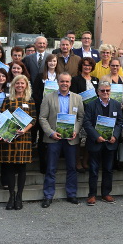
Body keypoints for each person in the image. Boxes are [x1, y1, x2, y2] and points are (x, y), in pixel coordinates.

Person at [39, 72, 84, 207]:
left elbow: (81, 117)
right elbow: (42, 118)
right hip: (54, 139)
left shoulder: (77, 98)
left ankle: (71, 194)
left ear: (70, 83)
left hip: (71, 139)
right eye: (62, 81)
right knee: (51, 168)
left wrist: (75, 130)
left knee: (71, 167)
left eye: (67, 81)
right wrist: (51, 133)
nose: (64, 84)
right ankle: (48, 195)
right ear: (58, 82)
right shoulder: (48, 97)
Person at [0, 75, 36, 210]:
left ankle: (19, 196)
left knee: (21, 168)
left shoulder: (30, 100)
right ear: (13, 85)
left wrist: (24, 130)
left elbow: (33, 119)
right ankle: (11, 196)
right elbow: (2, 117)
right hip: (8, 138)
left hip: (23, 138)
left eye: (22, 83)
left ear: (26, 85)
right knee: (9, 167)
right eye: (17, 83)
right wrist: (3, 133)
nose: (20, 85)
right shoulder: (7, 100)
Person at [82, 80, 123, 205]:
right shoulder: (91, 105)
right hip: (96, 142)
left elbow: (119, 122)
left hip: (110, 143)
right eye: (103, 91)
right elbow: (86, 123)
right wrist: (96, 136)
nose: (105, 93)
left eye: (107, 90)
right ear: (97, 92)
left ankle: (106, 193)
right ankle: (92, 195)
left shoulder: (116, 104)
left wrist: (115, 136)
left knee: (108, 169)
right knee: (93, 169)